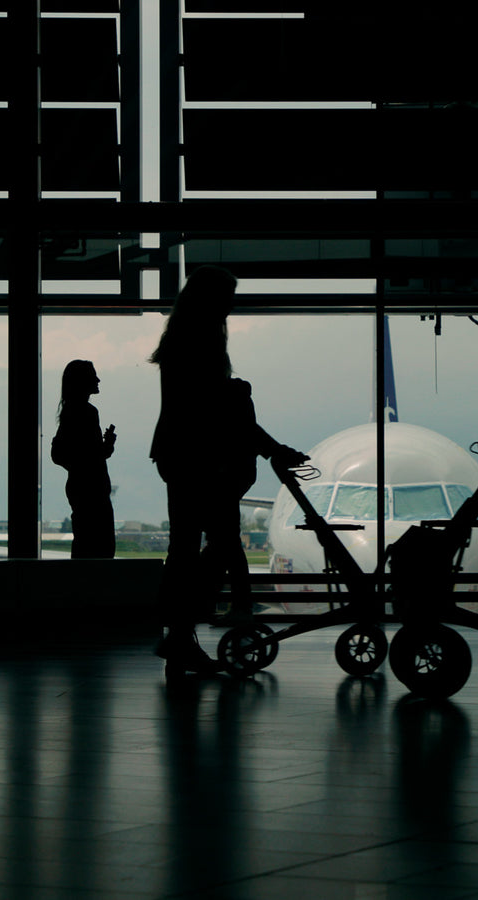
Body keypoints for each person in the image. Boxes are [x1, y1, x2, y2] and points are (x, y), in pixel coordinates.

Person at [149, 266, 308, 674]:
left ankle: (180, 634)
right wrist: (272, 446)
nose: (232, 305)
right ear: (212, 301)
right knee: (219, 543)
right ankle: (191, 625)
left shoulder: (180, 340)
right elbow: (224, 412)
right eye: (227, 297)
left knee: (185, 548)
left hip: (178, 455)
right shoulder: (202, 342)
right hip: (201, 459)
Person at [52, 360, 118, 559]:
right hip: (93, 489)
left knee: (85, 544)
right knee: (102, 547)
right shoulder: (87, 412)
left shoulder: (70, 412)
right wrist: (104, 448)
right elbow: (94, 456)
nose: (98, 380)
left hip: (81, 488)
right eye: (93, 376)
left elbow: (61, 454)